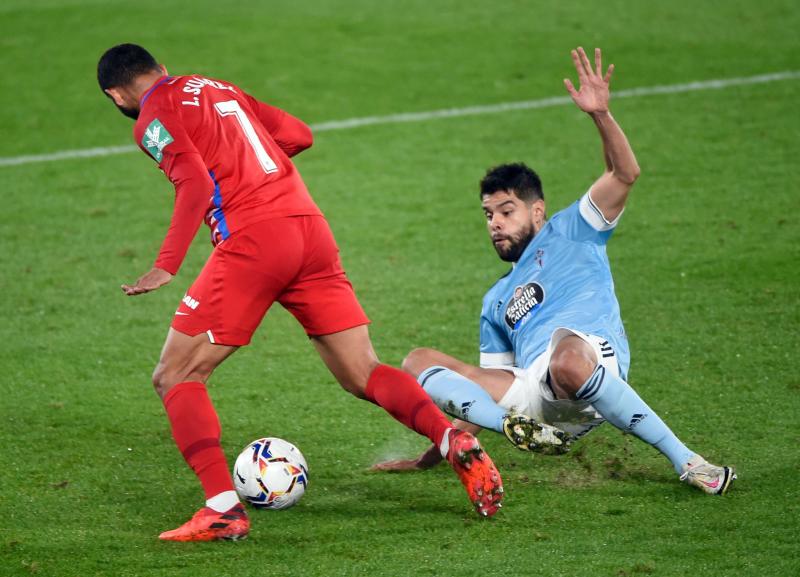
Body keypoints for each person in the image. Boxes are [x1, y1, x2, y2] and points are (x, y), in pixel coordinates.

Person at [96, 44, 505, 541]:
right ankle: (450, 436)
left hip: (254, 240)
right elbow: (297, 135)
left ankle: (222, 508)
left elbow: (195, 185)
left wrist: (165, 265)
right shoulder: (217, 86)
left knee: (176, 373)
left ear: (117, 95)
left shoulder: (152, 118)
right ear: (161, 68)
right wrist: (253, 165)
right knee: (363, 371)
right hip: (310, 229)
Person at [374, 47, 736, 496]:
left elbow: (624, 173)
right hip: (534, 398)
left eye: (506, 211)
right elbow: (483, 391)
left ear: (537, 211)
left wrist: (601, 114)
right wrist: (434, 452)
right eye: (488, 215)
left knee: (564, 350)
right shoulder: (496, 300)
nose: (495, 224)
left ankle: (692, 463)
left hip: (587, 368)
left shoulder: (574, 228)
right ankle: (514, 431)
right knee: (417, 361)